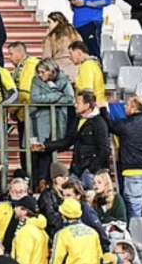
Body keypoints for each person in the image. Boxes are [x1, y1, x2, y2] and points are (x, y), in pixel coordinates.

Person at [103, 95, 142, 227]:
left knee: (134, 210)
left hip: (133, 172)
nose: (124, 108)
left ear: (133, 108)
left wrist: (104, 109)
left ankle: (138, 239)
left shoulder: (126, 126)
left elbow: (110, 125)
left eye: (126, 105)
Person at [37, 90, 110, 190]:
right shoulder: (77, 120)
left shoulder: (99, 123)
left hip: (90, 173)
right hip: (77, 169)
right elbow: (68, 141)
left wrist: (91, 169)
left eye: (78, 102)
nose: (75, 105)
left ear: (87, 105)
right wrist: (46, 146)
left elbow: (105, 150)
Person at [29, 58, 75, 186]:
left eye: (42, 72)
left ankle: (46, 181)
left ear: (51, 71)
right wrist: (57, 95)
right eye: (38, 72)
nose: (39, 75)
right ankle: (37, 182)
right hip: (39, 122)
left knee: (49, 149)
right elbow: (35, 99)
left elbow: (70, 99)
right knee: (36, 151)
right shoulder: (36, 81)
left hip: (58, 121)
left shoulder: (64, 80)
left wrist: (49, 99)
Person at [51, 198, 102, 264]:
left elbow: (55, 262)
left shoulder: (62, 234)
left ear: (63, 215)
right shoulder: (93, 232)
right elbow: (100, 257)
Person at [9, 196, 49, 264]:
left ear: (24, 210)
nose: (14, 209)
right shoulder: (42, 231)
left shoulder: (25, 232)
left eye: (17, 207)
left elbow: (23, 262)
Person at [0, 178, 30, 250]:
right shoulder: (1, 208)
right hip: (3, 249)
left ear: (26, 192)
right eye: (15, 192)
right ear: (10, 192)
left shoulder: (32, 209)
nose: (18, 194)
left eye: (21, 191)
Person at [42, 11, 81, 81]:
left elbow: (46, 58)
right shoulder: (75, 34)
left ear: (57, 22)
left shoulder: (51, 37)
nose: (48, 25)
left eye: (49, 22)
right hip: (76, 69)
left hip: (59, 70)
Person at [69, 40, 107, 106]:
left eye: (71, 53)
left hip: (92, 109)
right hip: (99, 105)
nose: (70, 57)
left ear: (79, 53)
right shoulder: (93, 64)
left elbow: (87, 92)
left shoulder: (87, 66)